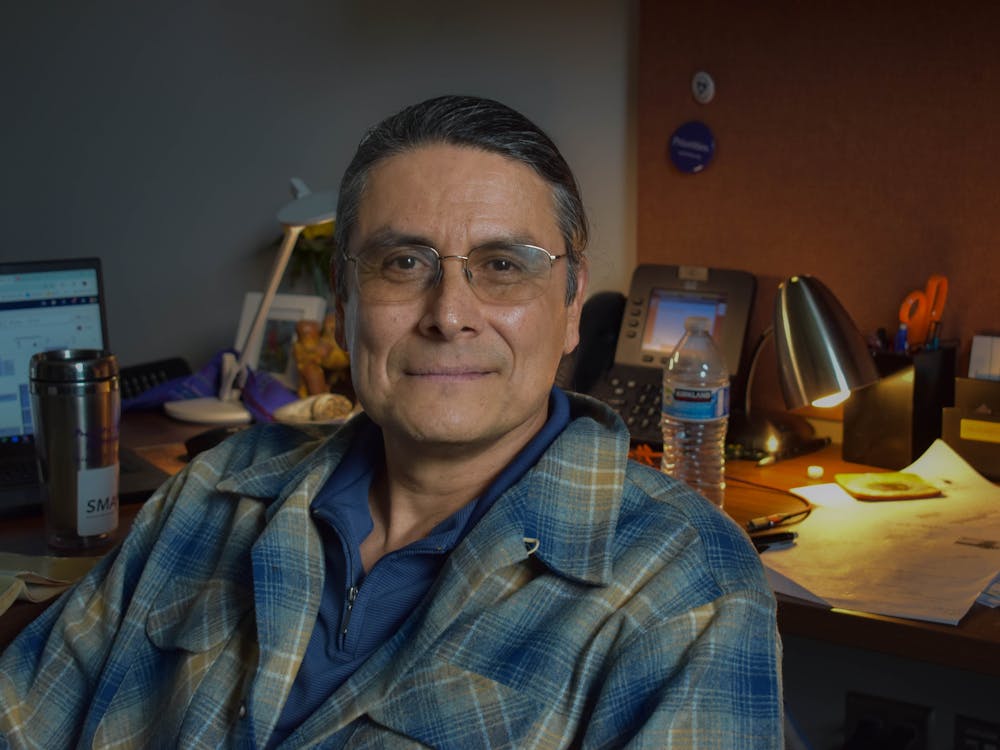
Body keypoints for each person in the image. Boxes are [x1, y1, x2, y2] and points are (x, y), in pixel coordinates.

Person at [0, 95, 783, 748]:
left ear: (572, 308)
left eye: (503, 266)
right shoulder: (214, 491)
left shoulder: (685, 590)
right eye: (403, 264)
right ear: (344, 305)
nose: (448, 315)